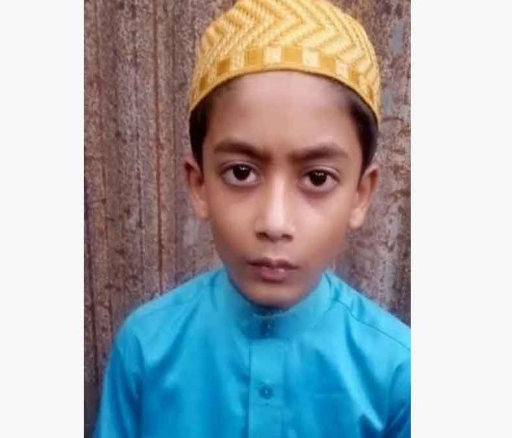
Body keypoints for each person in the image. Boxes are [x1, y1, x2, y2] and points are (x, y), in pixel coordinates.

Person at [94, 0, 410, 436]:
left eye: (317, 178)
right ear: (199, 183)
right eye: (241, 173)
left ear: (360, 193)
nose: (275, 222)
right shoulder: (145, 349)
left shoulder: (398, 373)